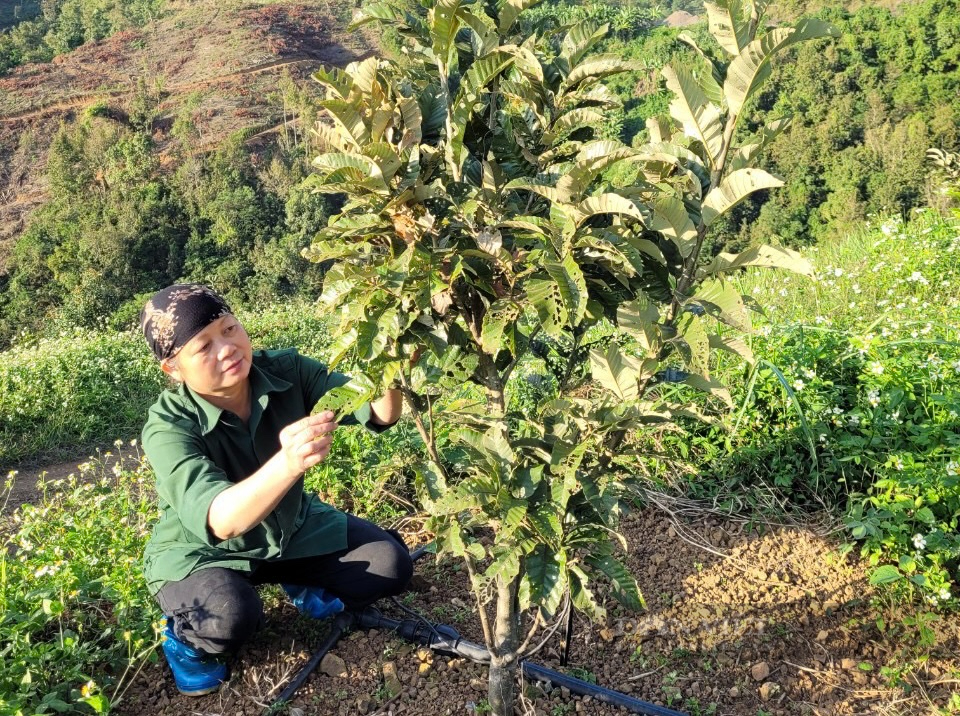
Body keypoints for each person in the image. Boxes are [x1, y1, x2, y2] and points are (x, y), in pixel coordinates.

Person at [139, 284, 413, 696]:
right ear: (174, 369)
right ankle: (186, 645)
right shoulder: (168, 426)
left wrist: (393, 365)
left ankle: (300, 580)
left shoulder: (287, 372)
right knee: (228, 615)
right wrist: (287, 462)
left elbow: (377, 412)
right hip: (203, 552)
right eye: (203, 347)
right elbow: (221, 521)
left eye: (230, 329)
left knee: (390, 564)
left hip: (290, 528)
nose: (227, 348)